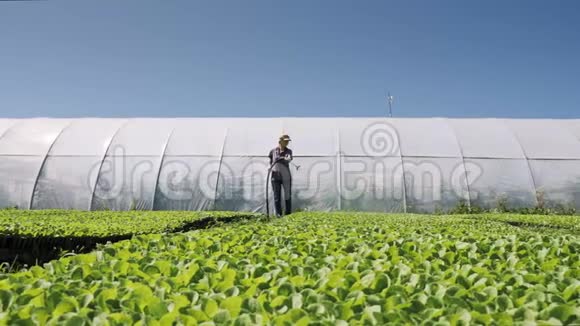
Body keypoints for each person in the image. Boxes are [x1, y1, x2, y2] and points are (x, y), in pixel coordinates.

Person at [268, 134, 293, 217]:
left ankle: (288, 214)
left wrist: (286, 159)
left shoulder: (289, 151)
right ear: (280, 141)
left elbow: (288, 158)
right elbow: (271, 161)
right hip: (275, 176)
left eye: (287, 141)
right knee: (277, 197)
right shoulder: (273, 151)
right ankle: (278, 215)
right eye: (285, 141)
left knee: (287, 196)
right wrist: (270, 167)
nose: (287, 142)